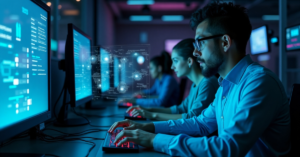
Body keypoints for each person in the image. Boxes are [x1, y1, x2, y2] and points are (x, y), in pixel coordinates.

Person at [108, 2, 290, 157]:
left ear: (225, 43)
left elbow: (227, 149)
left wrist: (153, 139)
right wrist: (148, 128)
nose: (195, 52)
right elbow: (200, 124)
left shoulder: (259, 83)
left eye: (200, 42)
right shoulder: (225, 85)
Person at [126, 38, 219, 121]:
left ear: (189, 61)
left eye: (175, 61)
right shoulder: (195, 84)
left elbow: (192, 117)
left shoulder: (207, 83)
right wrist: (147, 109)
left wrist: (152, 115)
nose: (172, 67)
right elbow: (181, 109)